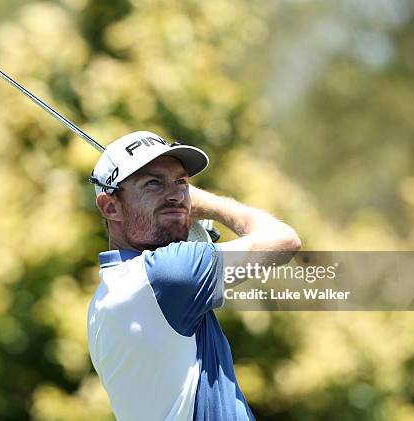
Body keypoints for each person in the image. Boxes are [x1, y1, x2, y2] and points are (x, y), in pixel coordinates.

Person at [87, 131, 301, 420]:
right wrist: (211, 204)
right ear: (110, 206)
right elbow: (284, 240)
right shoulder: (167, 274)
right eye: (153, 183)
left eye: (181, 182)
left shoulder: (103, 299)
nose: (176, 195)